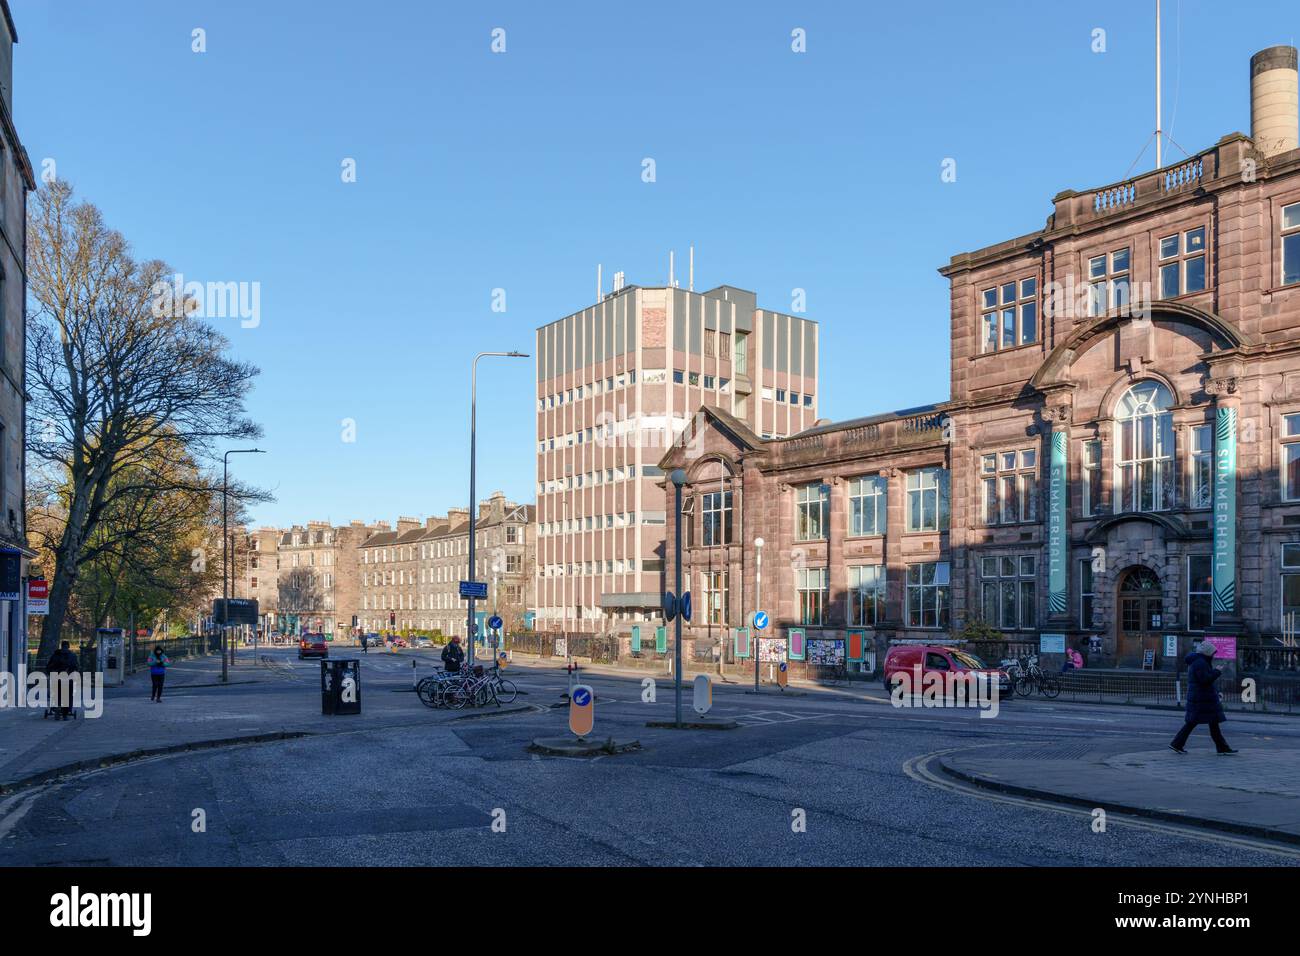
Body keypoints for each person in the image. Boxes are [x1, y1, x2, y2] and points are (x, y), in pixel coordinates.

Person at [1170, 641, 1238, 755]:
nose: (1213, 655)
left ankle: (1222, 748)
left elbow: (1206, 680)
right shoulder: (1200, 663)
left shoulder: (1199, 662)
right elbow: (1205, 680)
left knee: (1209, 723)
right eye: (1212, 653)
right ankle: (1177, 744)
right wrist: (1217, 671)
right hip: (1202, 699)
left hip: (1203, 697)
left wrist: (1216, 691)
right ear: (1207, 653)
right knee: (1195, 723)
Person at [45, 640, 80, 719]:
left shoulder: (55, 655)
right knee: (68, 696)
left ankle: (57, 708)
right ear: (68, 646)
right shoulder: (73, 655)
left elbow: (49, 667)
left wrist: (50, 673)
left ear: (61, 646)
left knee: (56, 694)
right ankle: (65, 714)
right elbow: (77, 667)